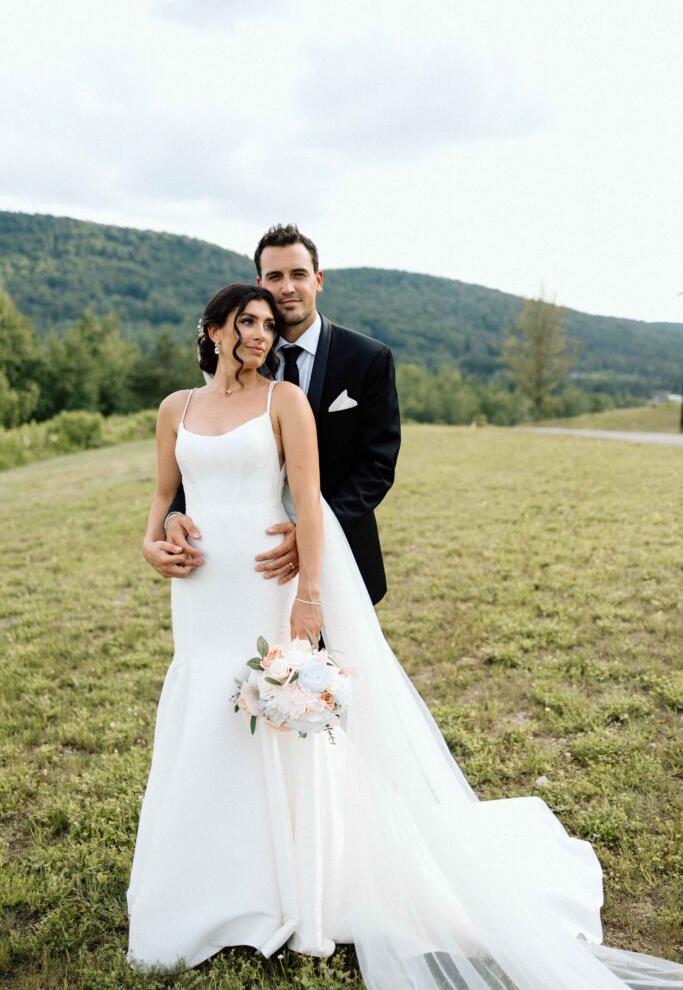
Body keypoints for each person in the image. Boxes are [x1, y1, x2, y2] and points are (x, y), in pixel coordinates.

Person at [127, 282, 683, 990]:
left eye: (268, 324)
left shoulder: (283, 402)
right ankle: (208, 879)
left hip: (267, 582)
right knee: (205, 711)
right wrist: (152, 542)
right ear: (210, 329)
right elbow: (161, 494)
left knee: (275, 723)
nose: (261, 334)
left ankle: (290, 884)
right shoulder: (176, 408)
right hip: (201, 591)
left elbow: (308, 501)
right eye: (246, 322)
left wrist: (309, 595)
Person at [142, 223, 401, 607]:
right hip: (247, 558)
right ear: (261, 282)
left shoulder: (368, 359)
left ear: (318, 280)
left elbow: (378, 465)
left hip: (340, 545)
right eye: (275, 277)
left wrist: (312, 529)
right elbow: (203, 453)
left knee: (335, 666)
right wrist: (173, 515)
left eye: (298, 274)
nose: (287, 287)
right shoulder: (236, 355)